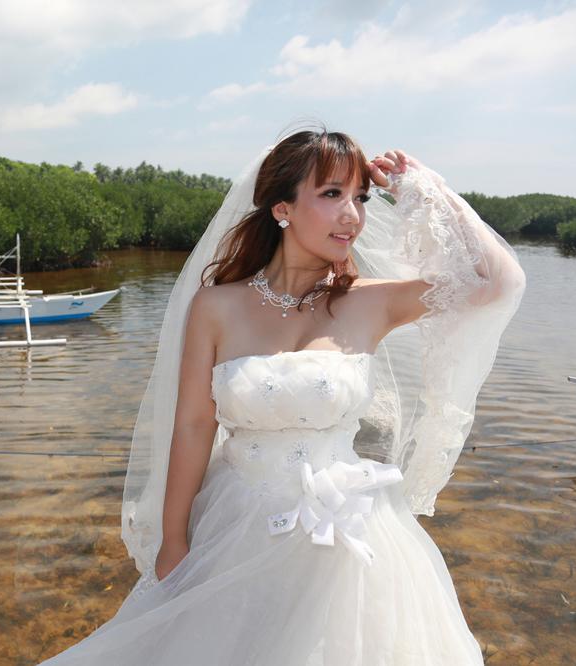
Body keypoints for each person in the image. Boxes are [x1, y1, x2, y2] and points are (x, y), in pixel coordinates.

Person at [38, 124, 526, 665]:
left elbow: (498, 282)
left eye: (361, 198)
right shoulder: (216, 306)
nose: (353, 215)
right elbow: (194, 426)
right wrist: (174, 540)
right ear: (282, 208)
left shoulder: (374, 302)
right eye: (332, 194)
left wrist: (422, 188)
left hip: (347, 532)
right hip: (234, 522)